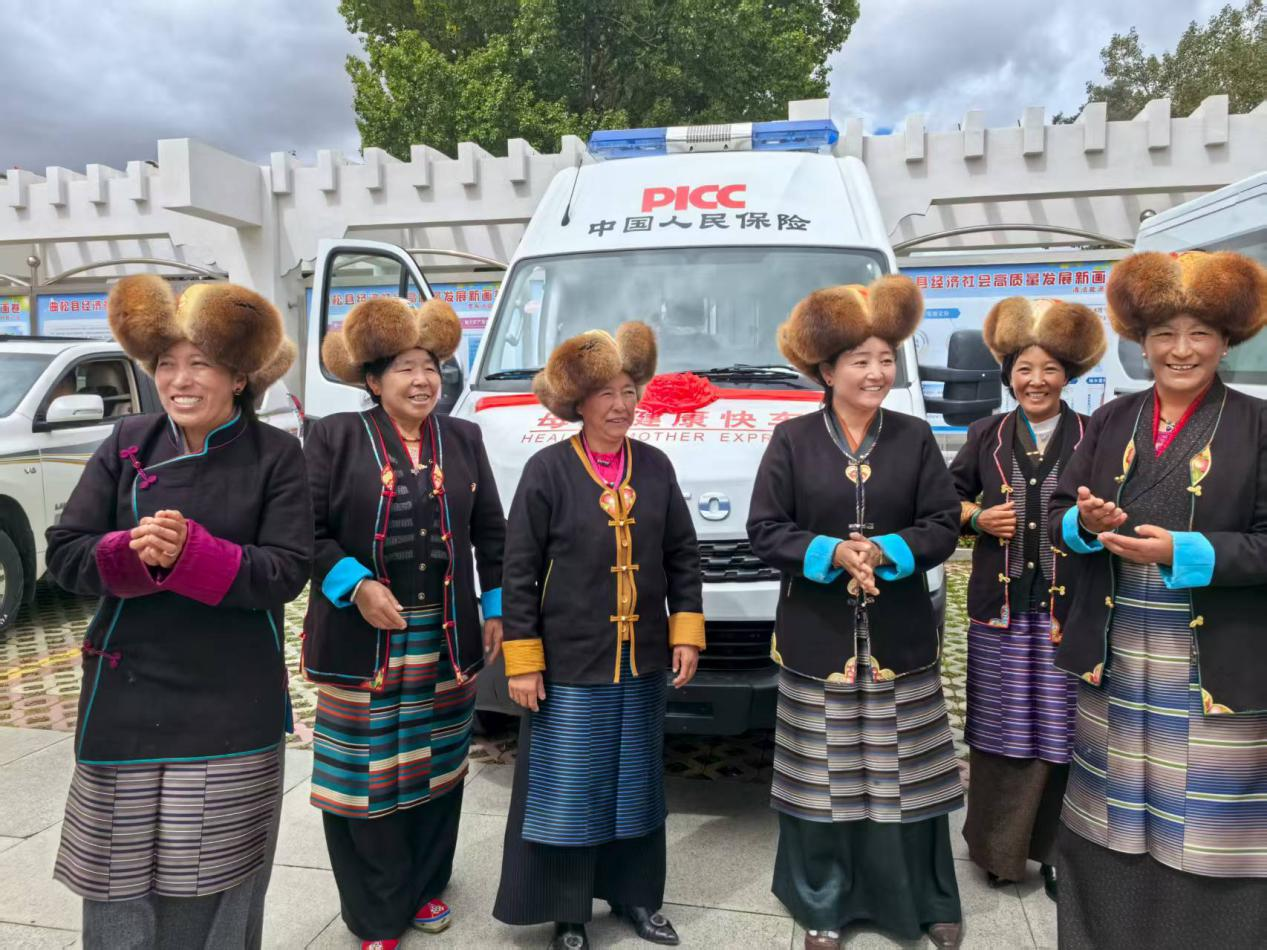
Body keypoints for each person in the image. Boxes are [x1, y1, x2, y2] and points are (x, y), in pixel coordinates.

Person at [46, 275, 309, 949]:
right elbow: (66, 554)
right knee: (117, 883)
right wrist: (131, 554)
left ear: (239, 378)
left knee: (212, 881)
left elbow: (284, 571)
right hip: (125, 698)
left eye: (200, 364)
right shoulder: (127, 443)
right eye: (167, 364)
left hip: (229, 699)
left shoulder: (276, 455)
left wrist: (193, 554)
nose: (179, 380)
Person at [1049, 250, 1267, 948]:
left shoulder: (1258, 424)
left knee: (1205, 821)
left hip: (1212, 662)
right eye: (1164, 334)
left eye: (1199, 333)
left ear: (1227, 341)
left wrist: (1182, 552)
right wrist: (1085, 524)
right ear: (1140, 343)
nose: (1181, 350)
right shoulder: (1110, 419)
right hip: (1116, 656)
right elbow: (1057, 514)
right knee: (1110, 813)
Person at [748, 278, 965, 950]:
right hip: (817, 639)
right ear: (826, 370)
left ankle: (926, 900)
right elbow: (765, 529)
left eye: (885, 359)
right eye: (859, 360)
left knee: (912, 777)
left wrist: (886, 550)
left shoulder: (914, 437)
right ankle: (823, 902)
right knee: (823, 780)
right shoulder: (791, 440)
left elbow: (943, 524)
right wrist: (833, 552)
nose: (876, 373)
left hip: (900, 638)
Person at [493, 323, 705, 950]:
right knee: (571, 790)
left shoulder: (656, 466)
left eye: (629, 390)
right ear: (578, 402)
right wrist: (523, 661)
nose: (621, 404)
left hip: (641, 662)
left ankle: (637, 898)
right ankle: (569, 913)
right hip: (570, 665)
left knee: (637, 785)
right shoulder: (548, 470)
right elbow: (518, 571)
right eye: (606, 393)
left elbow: (683, 555)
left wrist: (686, 632)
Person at [302, 296, 505, 950]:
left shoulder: (464, 438)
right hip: (364, 638)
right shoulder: (334, 437)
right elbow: (304, 530)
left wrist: (496, 607)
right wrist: (355, 585)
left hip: (444, 635)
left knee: (436, 765)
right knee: (366, 774)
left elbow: (491, 532)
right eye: (404, 369)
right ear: (372, 380)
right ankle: (374, 913)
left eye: (430, 368)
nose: (422, 381)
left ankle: (424, 886)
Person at [950, 297, 1106, 900]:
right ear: (1008, 376)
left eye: (1049, 369)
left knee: (1070, 731)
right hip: (1002, 611)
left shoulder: (1096, 433)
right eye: (1023, 369)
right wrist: (977, 518)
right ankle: (999, 851)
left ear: (1069, 375)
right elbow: (944, 501)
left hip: (1072, 610)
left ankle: (1063, 854)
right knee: (1001, 729)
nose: (1036, 381)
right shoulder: (985, 434)